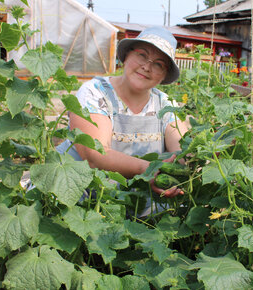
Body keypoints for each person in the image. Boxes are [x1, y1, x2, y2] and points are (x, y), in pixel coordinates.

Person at [57, 26, 188, 198]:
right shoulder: (95, 92)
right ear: (126, 56)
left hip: (134, 207)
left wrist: (198, 155)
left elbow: (183, 150)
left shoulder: (165, 104)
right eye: (142, 55)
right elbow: (95, 155)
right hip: (82, 198)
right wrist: (148, 170)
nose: (147, 67)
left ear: (164, 76)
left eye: (158, 64)